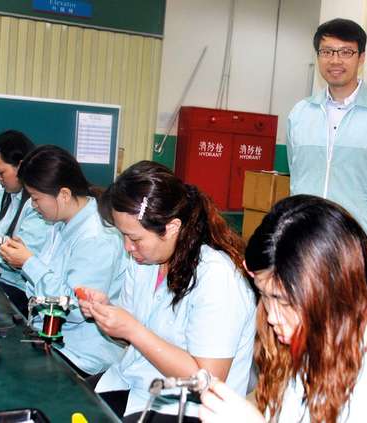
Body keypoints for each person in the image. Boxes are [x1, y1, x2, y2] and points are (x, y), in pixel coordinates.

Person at [198, 195, 367, 423]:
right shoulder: (304, 345)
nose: (271, 316)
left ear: (330, 290)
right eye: (264, 295)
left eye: (282, 300)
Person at [77, 161, 256, 422]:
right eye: (123, 236)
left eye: (135, 238)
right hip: (133, 383)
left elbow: (207, 380)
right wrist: (107, 317)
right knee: (62, 405)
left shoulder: (216, 276)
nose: (127, 247)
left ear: (172, 228)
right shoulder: (143, 262)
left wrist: (132, 330)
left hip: (186, 407)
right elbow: (128, 341)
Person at [287, 18, 367, 257]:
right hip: (304, 234)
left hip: (359, 240)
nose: (335, 60)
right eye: (327, 51)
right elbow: (296, 170)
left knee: (352, 297)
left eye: (345, 52)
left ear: (361, 57)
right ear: (318, 56)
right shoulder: (300, 113)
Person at [0, 145, 128, 376]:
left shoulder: (96, 237)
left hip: (79, 352)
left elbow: (75, 309)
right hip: (52, 335)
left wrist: (29, 263)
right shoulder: (61, 222)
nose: (34, 206)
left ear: (64, 195)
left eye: (37, 199)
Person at [0, 130, 52, 314]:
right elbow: (3, 239)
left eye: (1, 172)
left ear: (21, 166)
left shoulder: (36, 205)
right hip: (2, 278)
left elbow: (18, 256)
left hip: (19, 288)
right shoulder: (13, 196)